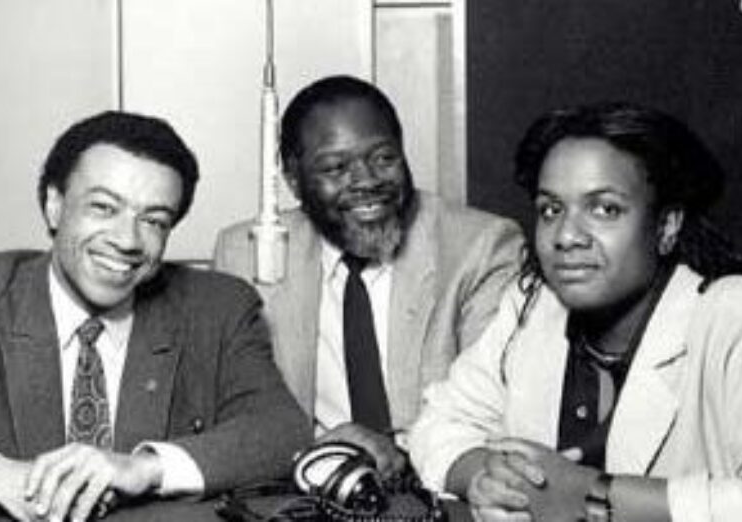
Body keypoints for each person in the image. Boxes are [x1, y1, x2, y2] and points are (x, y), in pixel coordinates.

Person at [0, 111, 311, 522]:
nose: (127, 240)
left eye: (154, 220)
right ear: (54, 206)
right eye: (103, 207)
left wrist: (145, 468)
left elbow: (283, 432)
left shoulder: (219, 308)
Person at [409, 101, 742, 522]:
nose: (566, 236)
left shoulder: (731, 315)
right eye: (551, 209)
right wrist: (481, 473)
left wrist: (592, 495)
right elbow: (437, 423)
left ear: (666, 227)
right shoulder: (533, 303)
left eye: (604, 209)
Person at [214, 75, 523, 477]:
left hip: (437, 488)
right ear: (293, 179)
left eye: (383, 158)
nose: (366, 181)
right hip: (307, 486)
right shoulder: (247, 252)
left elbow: (493, 413)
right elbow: (236, 413)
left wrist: (397, 451)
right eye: (335, 167)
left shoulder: (481, 247)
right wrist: (317, 458)